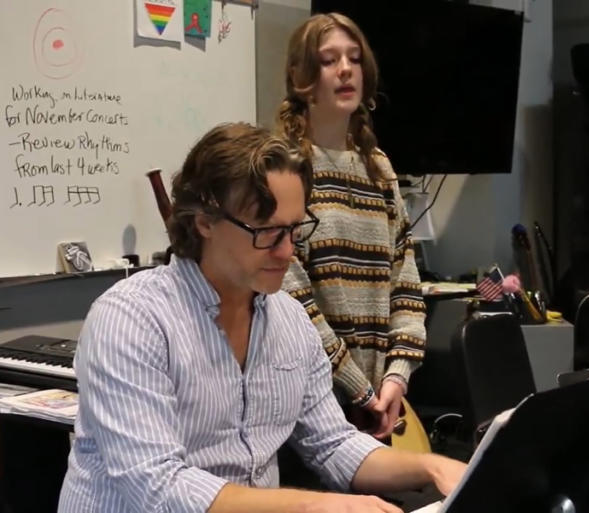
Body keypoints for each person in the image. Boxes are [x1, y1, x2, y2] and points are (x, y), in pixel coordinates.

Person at [57, 123, 466, 513]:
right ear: (204, 222)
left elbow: (332, 444)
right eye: (267, 233)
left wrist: (431, 467)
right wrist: (315, 504)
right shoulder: (131, 319)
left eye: (295, 230)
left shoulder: (289, 319)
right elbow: (158, 488)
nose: (287, 252)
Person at [276, 13, 425, 440]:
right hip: (312, 407)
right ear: (299, 75)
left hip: (382, 403)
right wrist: (358, 389)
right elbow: (293, 298)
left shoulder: (379, 169)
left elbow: (406, 282)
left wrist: (396, 378)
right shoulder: (286, 167)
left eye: (354, 58)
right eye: (328, 60)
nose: (345, 69)